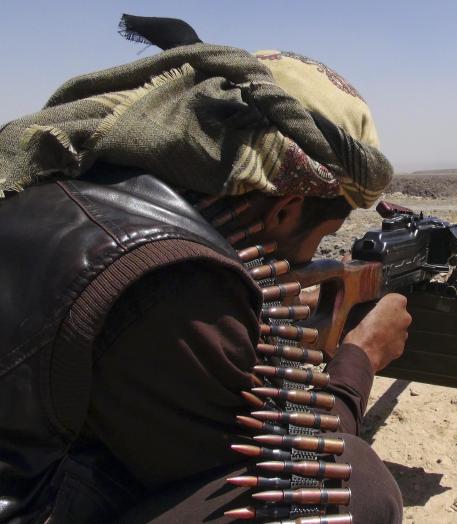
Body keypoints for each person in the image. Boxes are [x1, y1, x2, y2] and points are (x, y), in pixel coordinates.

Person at [0, 15, 410, 524]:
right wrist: (359, 360)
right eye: (321, 239)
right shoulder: (180, 286)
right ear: (284, 208)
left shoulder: (81, 178)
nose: (308, 258)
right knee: (360, 485)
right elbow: (292, 465)